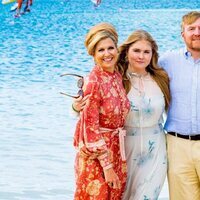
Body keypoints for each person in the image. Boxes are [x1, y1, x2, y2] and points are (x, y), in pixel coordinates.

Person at [72, 30, 170, 199]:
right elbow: (91, 114)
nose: (141, 56)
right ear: (126, 51)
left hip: (154, 148)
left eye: (146, 52)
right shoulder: (118, 76)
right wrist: (74, 107)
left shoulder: (160, 77)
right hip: (122, 148)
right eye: (136, 51)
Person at [73, 22, 130, 199]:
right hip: (96, 160)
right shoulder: (93, 81)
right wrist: (107, 167)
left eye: (110, 48)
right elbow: (90, 130)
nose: (107, 54)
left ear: (117, 49)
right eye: (101, 50)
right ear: (93, 54)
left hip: (117, 153)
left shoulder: (116, 76)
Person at [158, 11, 200, 200]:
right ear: (182, 33)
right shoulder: (167, 61)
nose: (197, 32)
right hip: (177, 146)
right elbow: (136, 76)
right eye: (191, 28)